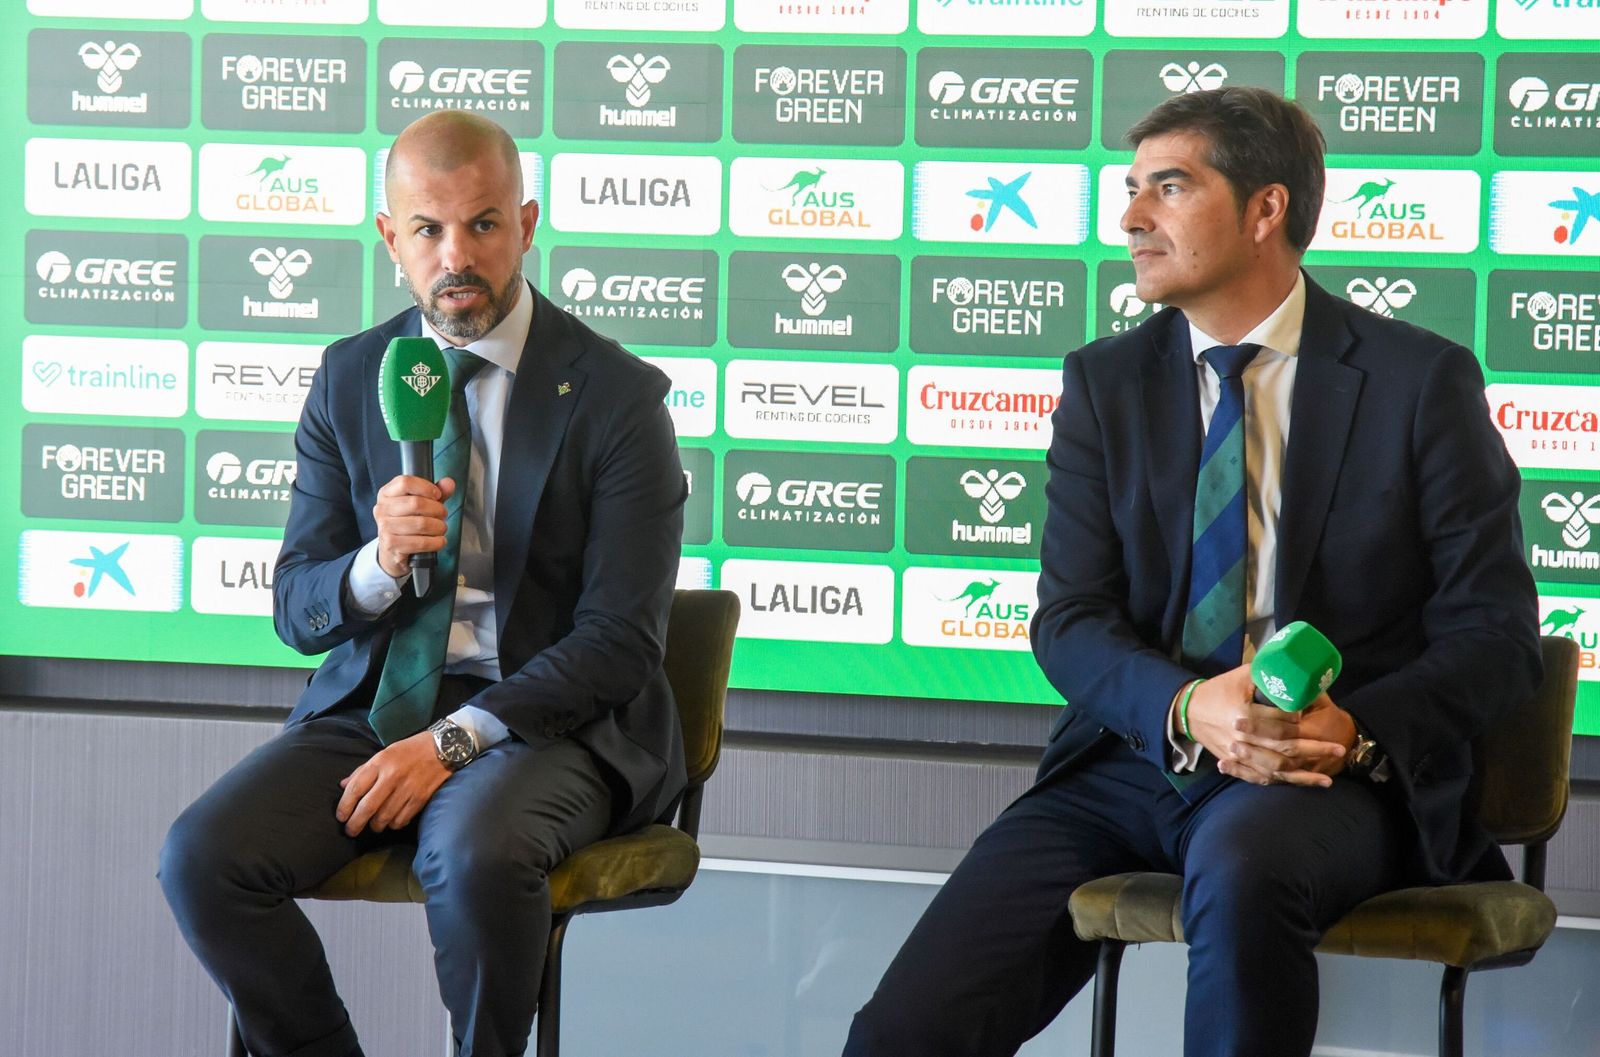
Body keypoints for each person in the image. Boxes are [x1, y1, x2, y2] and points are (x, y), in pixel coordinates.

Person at [844, 87, 1541, 1057]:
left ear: (1266, 210)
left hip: (1322, 779)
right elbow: (1070, 619)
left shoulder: (1417, 381)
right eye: (1132, 189)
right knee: (902, 1031)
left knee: (1247, 869)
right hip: (1132, 763)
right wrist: (1184, 707)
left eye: (1168, 188)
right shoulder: (1105, 383)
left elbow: (1497, 636)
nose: (1132, 217)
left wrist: (1355, 730)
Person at [160, 112, 687, 1057]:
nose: (458, 256)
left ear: (528, 224)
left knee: (475, 851)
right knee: (202, 858)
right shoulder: (350, 375)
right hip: (375, 706)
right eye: (429, 229)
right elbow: (298, 604)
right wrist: (378, 561)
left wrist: (451, 742)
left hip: (548, 721)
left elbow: (619, 641)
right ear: (389, 237)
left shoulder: (617, 397)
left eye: (484, 224)